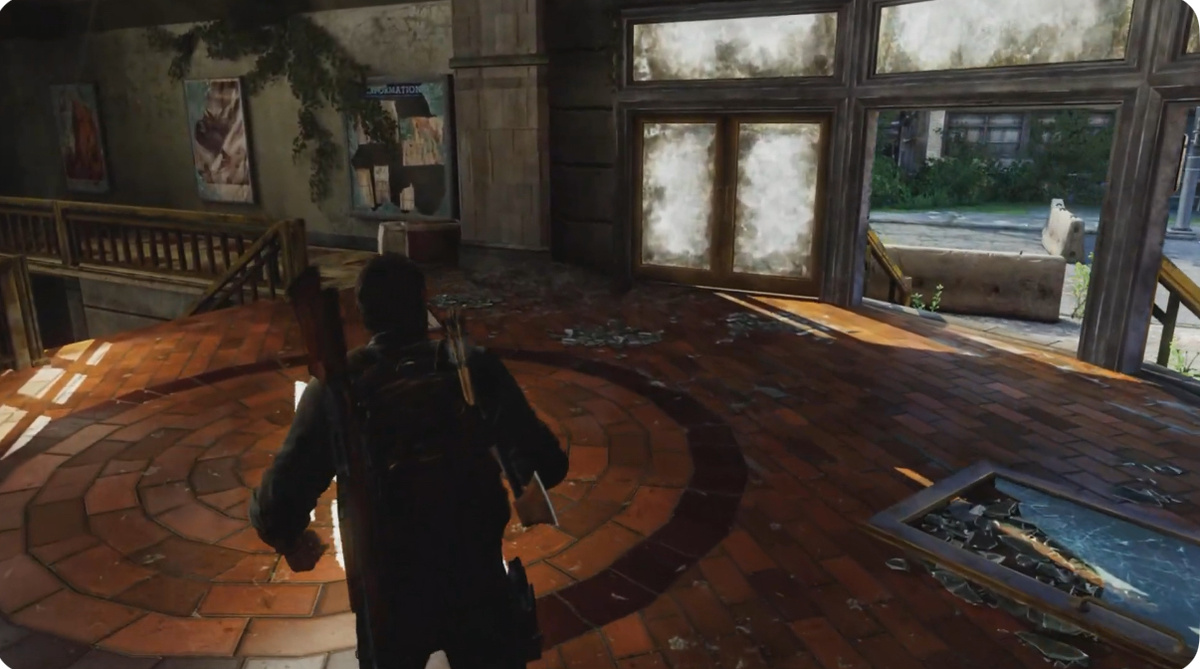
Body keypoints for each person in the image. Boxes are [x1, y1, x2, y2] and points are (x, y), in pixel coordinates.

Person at [250, 253, 568, 669]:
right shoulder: (471, 367)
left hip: (390, 591)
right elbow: (548, 465)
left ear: (365, 314)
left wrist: (292, 540)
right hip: (473, 575)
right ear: (422, 303)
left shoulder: (339, 388)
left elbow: (277, 503)